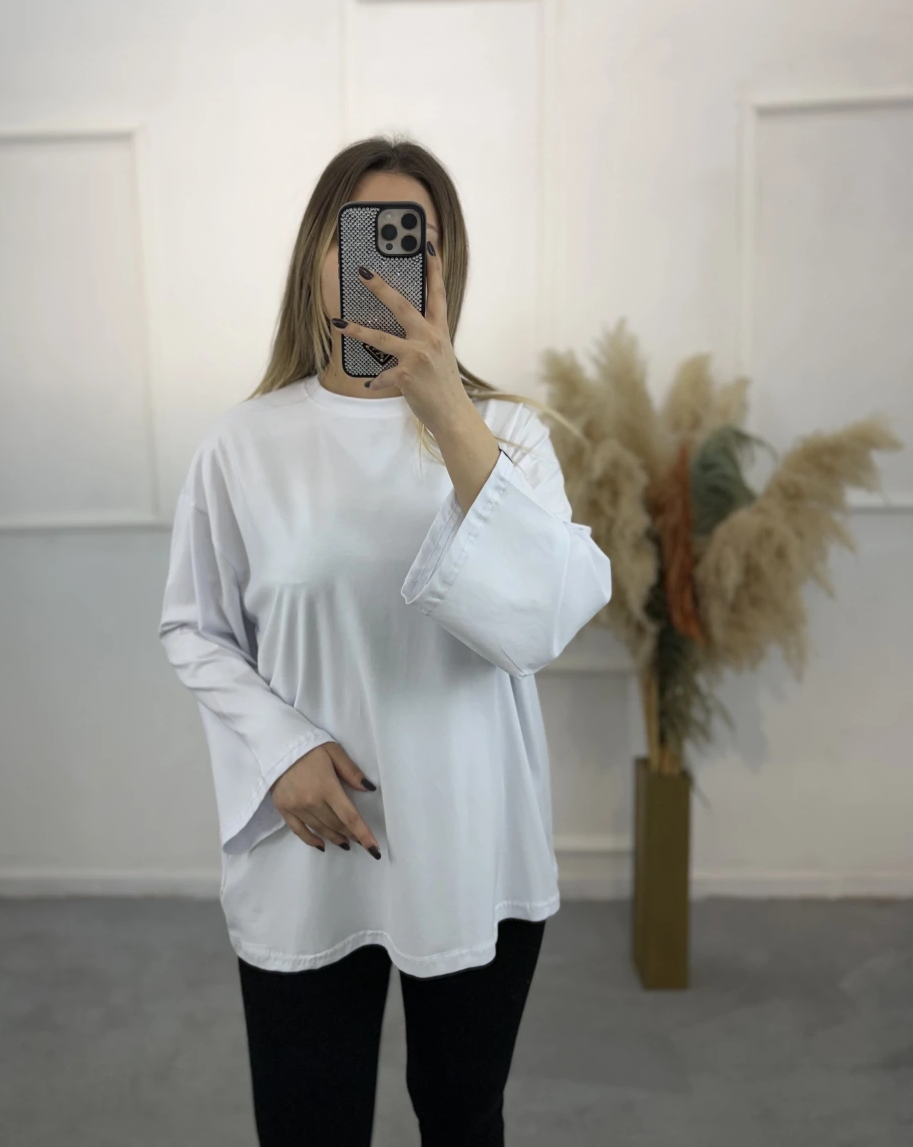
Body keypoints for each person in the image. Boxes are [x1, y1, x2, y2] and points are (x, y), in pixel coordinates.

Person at [157, 135, 613, 1146]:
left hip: (472, 842)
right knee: (307, 1125)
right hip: (309, 845)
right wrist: (280, 752)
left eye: (416, 243)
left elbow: (542, 619)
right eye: (359, 238)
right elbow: (195, 625)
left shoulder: (509, 436)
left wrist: (447, 412)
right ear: (315, 258)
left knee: (463, 1117)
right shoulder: (243, 444)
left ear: (445, 270)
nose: (384, 266)